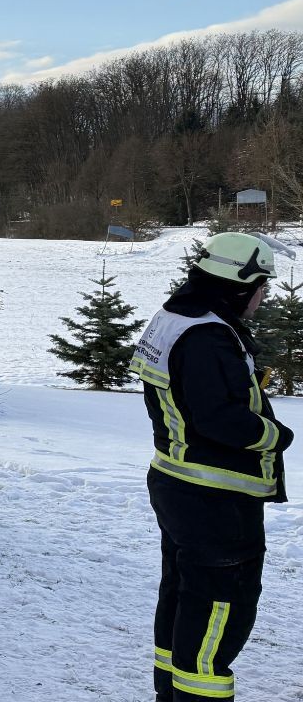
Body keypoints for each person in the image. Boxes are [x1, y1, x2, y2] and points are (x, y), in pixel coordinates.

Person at [132, 232, 292, 702]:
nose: (264, 297)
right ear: (238, 285)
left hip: (177, 482)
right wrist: (278, 436)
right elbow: (219, 418)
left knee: (184, 594)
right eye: (261, 287)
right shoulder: (207, 335)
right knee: (221, 608)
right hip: (215, 497)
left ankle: (171, 692)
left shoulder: (174, 319)